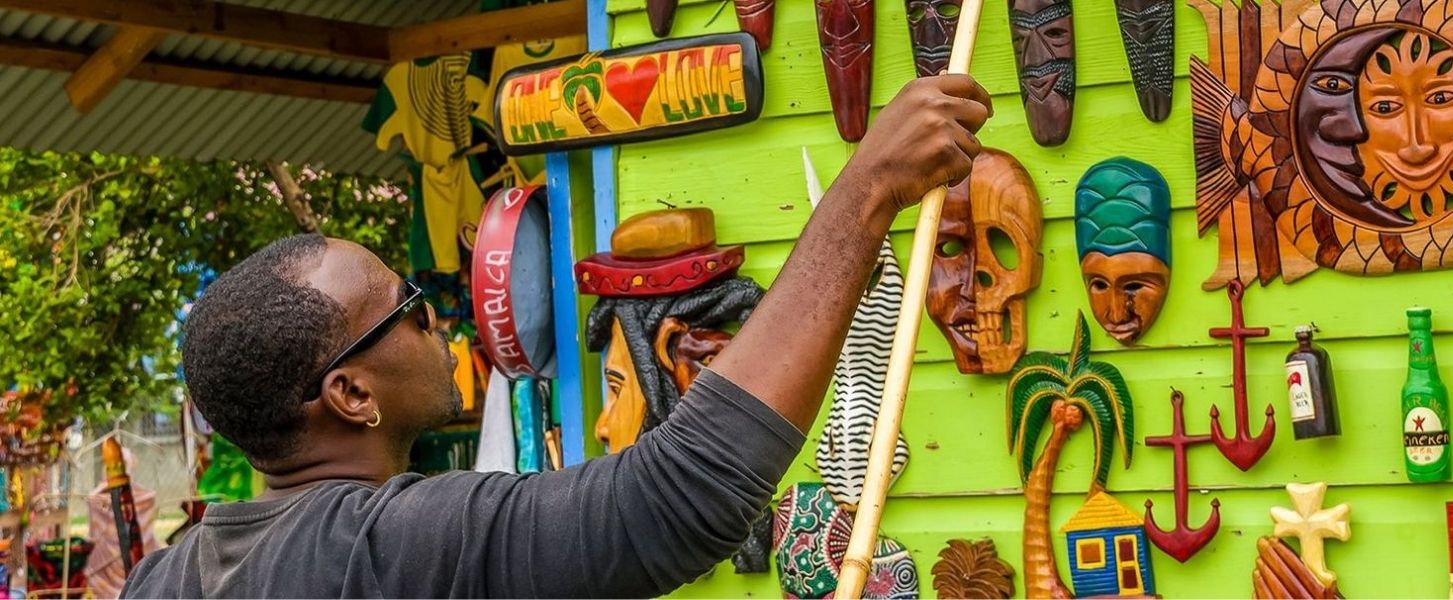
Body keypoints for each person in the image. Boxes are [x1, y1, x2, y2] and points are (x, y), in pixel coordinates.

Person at [123, 75, 992, 598]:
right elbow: (683, 496)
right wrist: (867, 191)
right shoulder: (388, 546)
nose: (440, 315)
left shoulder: (161, 582)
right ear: (350, 394)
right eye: (411, 304)